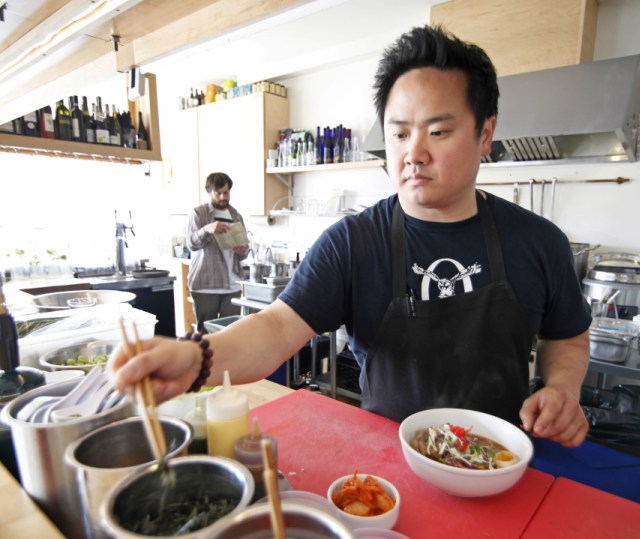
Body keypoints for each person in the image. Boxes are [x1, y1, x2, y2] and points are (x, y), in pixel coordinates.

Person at [111, 26, 591, 447]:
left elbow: (567, 339)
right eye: (399, 134)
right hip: (387, 473)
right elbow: (277, 328)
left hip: (500, 464)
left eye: (438, 133)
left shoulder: (539, 242)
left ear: (485, 135)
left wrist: (562, 390)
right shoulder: (353, 243)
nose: (413, 153)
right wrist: (194, 358)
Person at [187, 172, 250, 332]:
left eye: (226, 192)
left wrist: (242, 250)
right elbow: (191, 244)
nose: (223, 197)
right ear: (209, 192)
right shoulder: (199, 214)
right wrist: (206, 229)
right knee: (205, 334)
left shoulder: (236, 216)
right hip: (206, 284)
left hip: (232, 284)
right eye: (218, 193)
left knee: (230, 332)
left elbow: (243, 254)